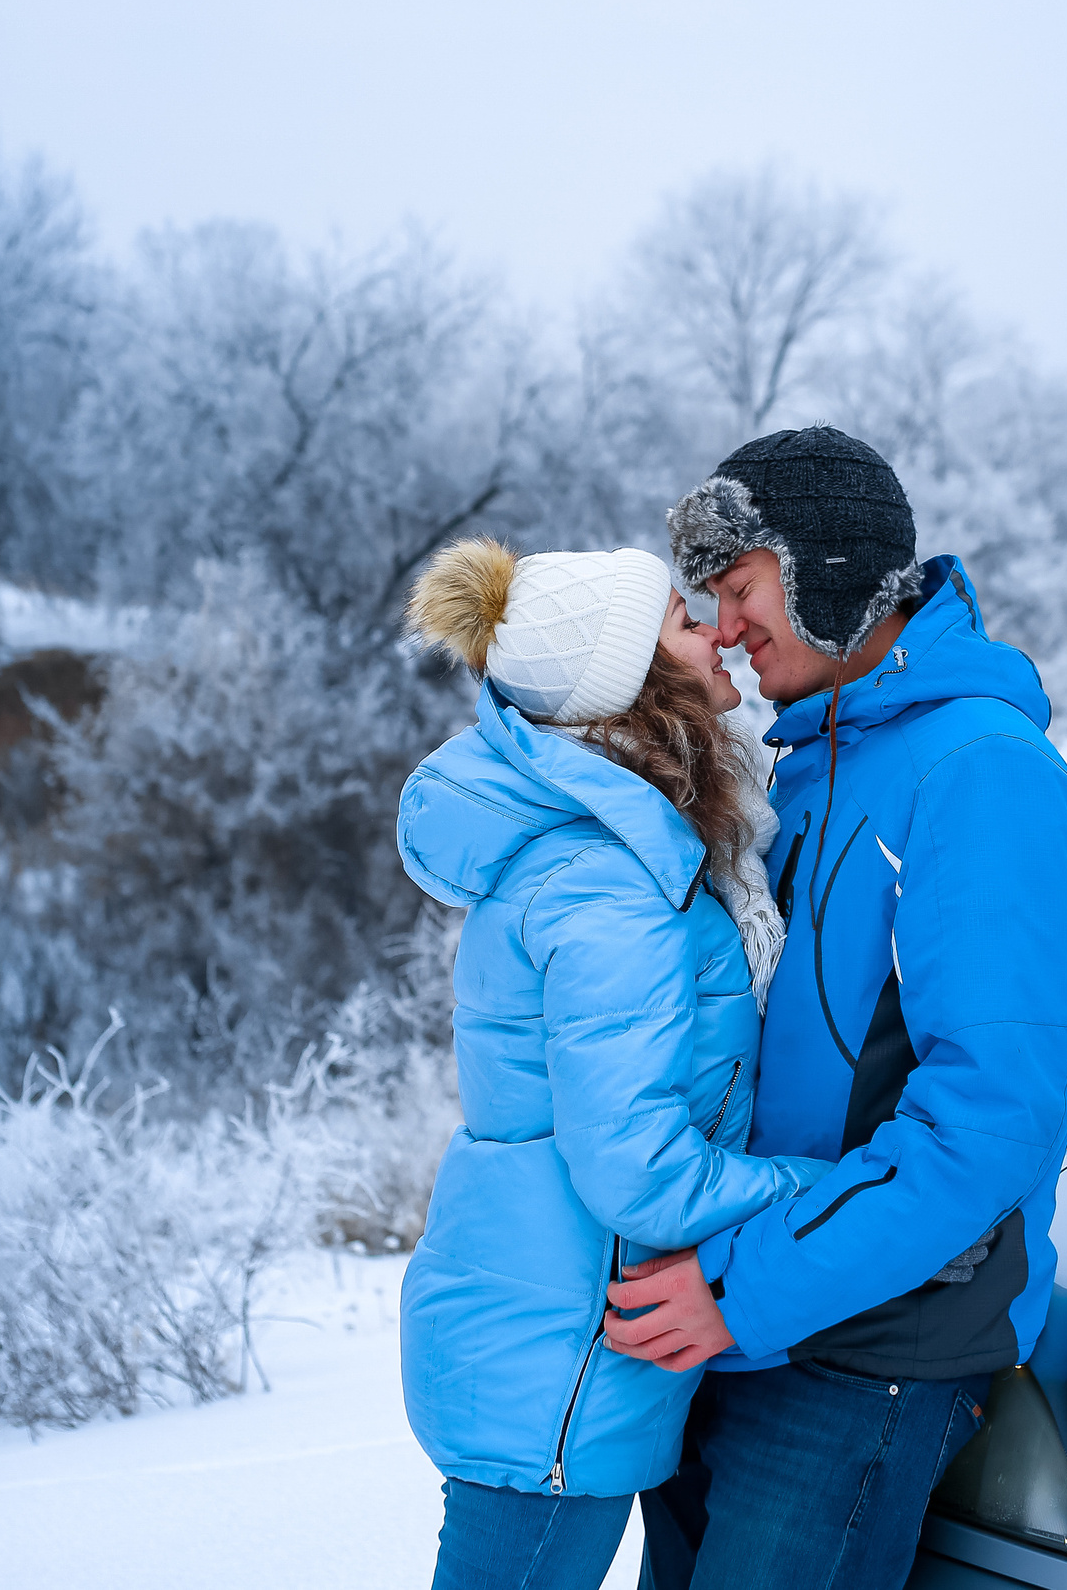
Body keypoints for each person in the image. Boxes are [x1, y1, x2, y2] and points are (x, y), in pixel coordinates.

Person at [606, 427, 1067, 1590]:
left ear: (823, 568)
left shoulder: (980, 773)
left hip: (867, 1345)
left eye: (738, 588)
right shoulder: (823, 755)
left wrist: (740, 1287)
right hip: (749, 1316)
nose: (723, 628)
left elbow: (986, 1126)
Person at [393, 538, 828, 1590]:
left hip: (550, 1341)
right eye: (686, 622)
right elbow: (639, 1169)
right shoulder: (609, 889)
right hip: (559, 1370)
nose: (717, 629)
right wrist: (817, 1189)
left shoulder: (621, 857)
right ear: (631, 681)